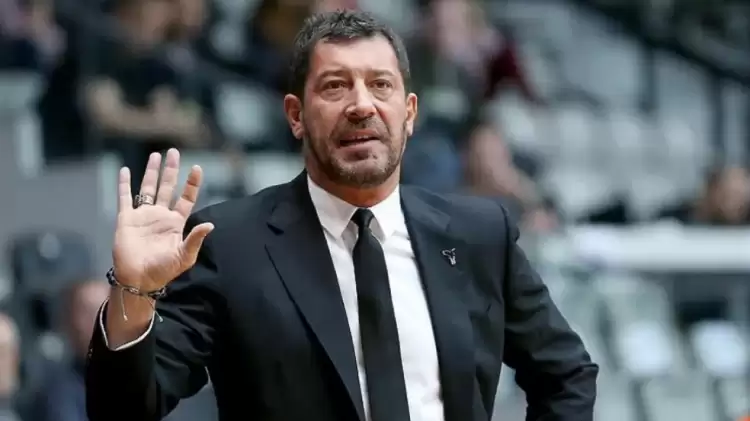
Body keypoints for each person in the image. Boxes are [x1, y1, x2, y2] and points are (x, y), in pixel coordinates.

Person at [85, 10, 598, 421]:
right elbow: (123, 409)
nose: (361, 105)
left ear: (409, 113)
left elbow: (566, 374)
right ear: (296, 116)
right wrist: (134, 293)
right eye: (335, 86)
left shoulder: (479, 235)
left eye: (381, 85)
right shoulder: (229, 243)